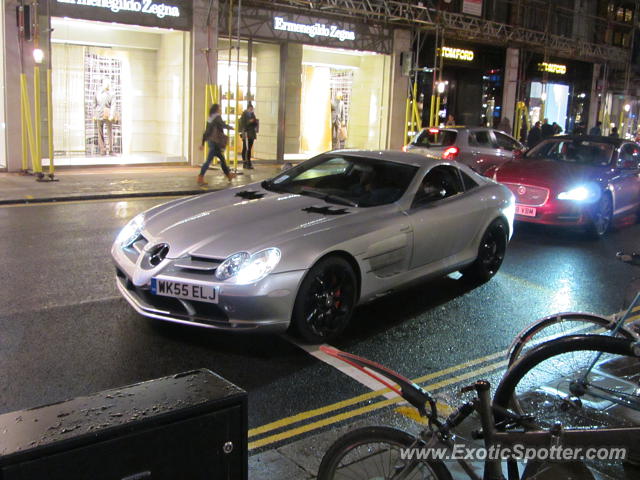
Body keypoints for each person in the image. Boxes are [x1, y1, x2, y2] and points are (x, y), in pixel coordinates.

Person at [198, 104, 235, 185]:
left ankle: (228, 175)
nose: (220, 109)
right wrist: (231, 127)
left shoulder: (210, 118)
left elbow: (206, 132)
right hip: (215, 142)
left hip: (211, 142)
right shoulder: (217, 117)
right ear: (217, 109)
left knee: (222, 159)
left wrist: (203, 143)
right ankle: (200, 177)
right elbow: (222, 124)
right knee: (208, 161)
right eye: (219, 108)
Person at [94, 79, 115, 155]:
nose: (107, 85)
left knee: (109, 132)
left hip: (108, 114)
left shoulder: (112, 94)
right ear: (103, 84)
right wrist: (94, 114)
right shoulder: (97, 93)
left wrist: (112, 115)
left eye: (108, 84)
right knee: (100, 132)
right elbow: (94, 104)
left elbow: (113, 105)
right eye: (106, 84)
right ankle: (102, 149)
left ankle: (111, 149)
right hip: (99, 114)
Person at [239, 103, 258, 169]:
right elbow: (243, 124)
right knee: (245, 148)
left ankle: (249, 162)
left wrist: (253, 121)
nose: (251, 110)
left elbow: (255, 123)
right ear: (248, 109)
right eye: (250, 109)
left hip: (251, 134)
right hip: (246, 133)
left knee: (249, 148)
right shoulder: (244, 114)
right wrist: (249, 121)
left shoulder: (252, 115)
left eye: (252, 109)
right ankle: (245, 162)